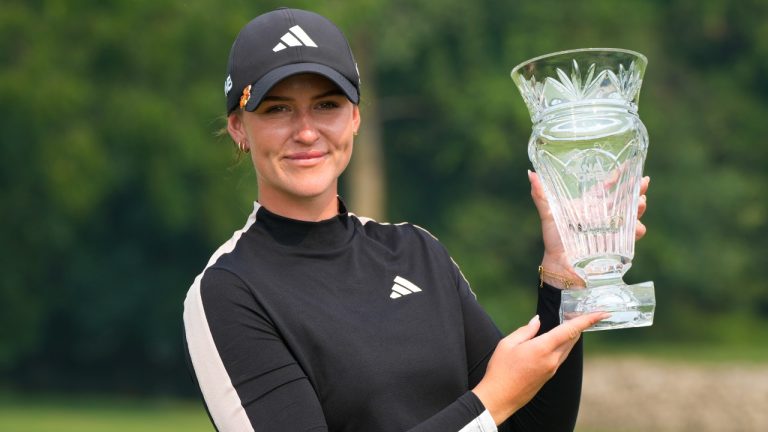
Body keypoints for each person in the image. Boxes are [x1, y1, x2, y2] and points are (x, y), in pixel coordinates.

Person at [183, 7, 650, 432]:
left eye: (327, 105)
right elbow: (498, 403)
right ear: (239, 127)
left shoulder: (415, 250)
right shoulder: (229, 291)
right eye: (277, 109)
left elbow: (533, 425)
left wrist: (562, 278)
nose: (306, 132)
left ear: (355, 117)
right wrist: (489, 400)